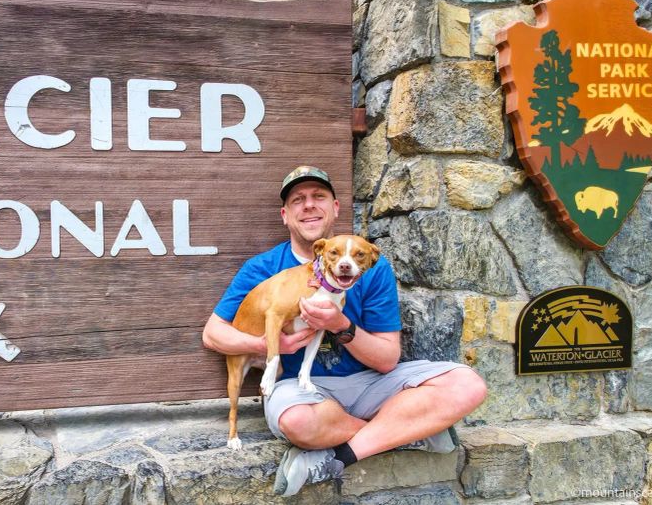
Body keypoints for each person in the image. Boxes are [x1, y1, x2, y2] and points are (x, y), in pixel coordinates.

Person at [202, 165, 487, 496]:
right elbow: (213, 334)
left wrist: (341, 325)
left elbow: (386, 359)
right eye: (298, 200)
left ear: (335, 208)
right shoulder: (263, 269)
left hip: (370, 385)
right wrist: (270, 343)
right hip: (305, 391)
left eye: (319, 196)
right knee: (296, 421)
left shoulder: (371, 266)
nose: (309, 205)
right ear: (285, 215)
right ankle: (403, 432)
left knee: (467, 385)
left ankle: (339, 455)